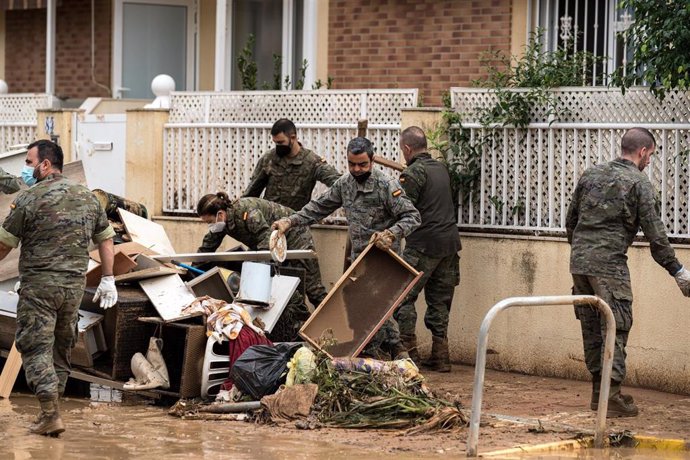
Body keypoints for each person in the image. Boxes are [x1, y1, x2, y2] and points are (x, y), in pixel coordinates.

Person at [566, 127, 690, 417]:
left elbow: (571, 221)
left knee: (591, 326)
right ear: (643, 151)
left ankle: (600, 394)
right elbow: (656, 236)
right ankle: (613, 398)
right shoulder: (638, 183)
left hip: (579, 262)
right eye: (651, 155)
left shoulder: (591, 174)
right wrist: (678, 271)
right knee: (616, 325)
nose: (649, 162)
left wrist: (583, 252)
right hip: (609, 265)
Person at [0, 140, 117, 436]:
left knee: (35, 346)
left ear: (46, 164)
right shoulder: (89, 198)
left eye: (29, 162)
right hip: (73, 288)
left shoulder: (29, 199)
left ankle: (50, 413)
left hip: (39, 287)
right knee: (62, 348)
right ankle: (52, 412)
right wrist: (108, 277)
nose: (26, 169)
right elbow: (106, 239)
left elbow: (3, 245)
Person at [272, 137, 421, 358]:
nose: (357, 169)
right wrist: (290, 221)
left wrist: (391, 234)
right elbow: (318, 208)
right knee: (361, 306)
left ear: (372, 161)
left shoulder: (386, 185)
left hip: (383, 260)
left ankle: (378, 354)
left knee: (372, 308)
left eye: (362, 164)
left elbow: (412, 217)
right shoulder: (345, 184)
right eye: (352, 164)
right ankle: (394, 352)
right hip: (359, 261)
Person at [196, 193, 328, 339]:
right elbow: (208, 246)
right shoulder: (221, 223)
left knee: (313, 289)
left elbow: (265, 239)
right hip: (271, 243)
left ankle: (331, 329)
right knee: (281, 291)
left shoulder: (247, 212)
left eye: (209, 222)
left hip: (295, 236)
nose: (209, 226)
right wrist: (191, 270)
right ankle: (296, 331)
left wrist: (259, 273)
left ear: (220, 214)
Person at [394, 126, 461, 372]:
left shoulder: (412, 174)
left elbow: (401, 210)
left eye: (403, 150)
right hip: (449, 245)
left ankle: (409, 354)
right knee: (440, 301)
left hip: (423, 244)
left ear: (408, 148)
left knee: (403, 297)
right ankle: (441, 355)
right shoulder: (441, 169)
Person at [243, 118, 341, 212]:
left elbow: (338, 182)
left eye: (281, 142)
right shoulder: (269, 159)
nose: (278, 146)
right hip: (270, 222)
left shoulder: (311, 161)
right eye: (275, 143)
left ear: (293, 138)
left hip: (295, 222)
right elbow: (252, 191)